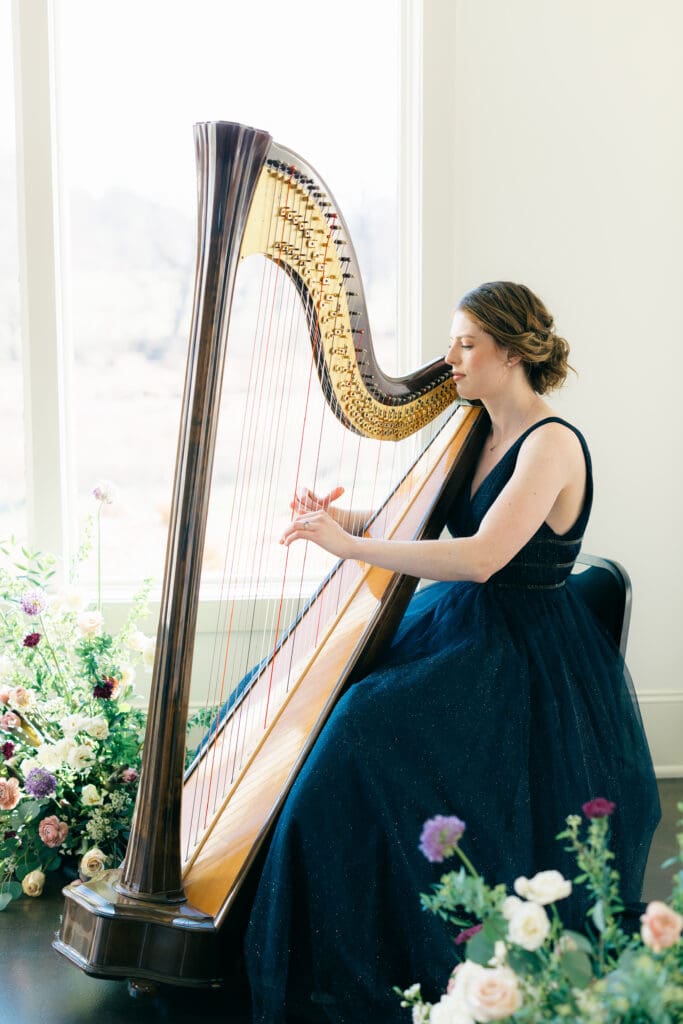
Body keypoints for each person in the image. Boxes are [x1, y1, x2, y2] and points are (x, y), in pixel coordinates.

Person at [243, 281, 661, 1024]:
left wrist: (349, 546)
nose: (450, 358)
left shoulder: (551, 441)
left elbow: (478, 558)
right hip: (467, 626)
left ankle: (378, 949)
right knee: (321, 699)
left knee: (364, 725)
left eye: (465, 343)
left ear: (509, 352)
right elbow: (433, 519)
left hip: (521, 649)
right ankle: (319, 920)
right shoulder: (476, 428)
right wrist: (340, 517)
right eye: (452, 340)